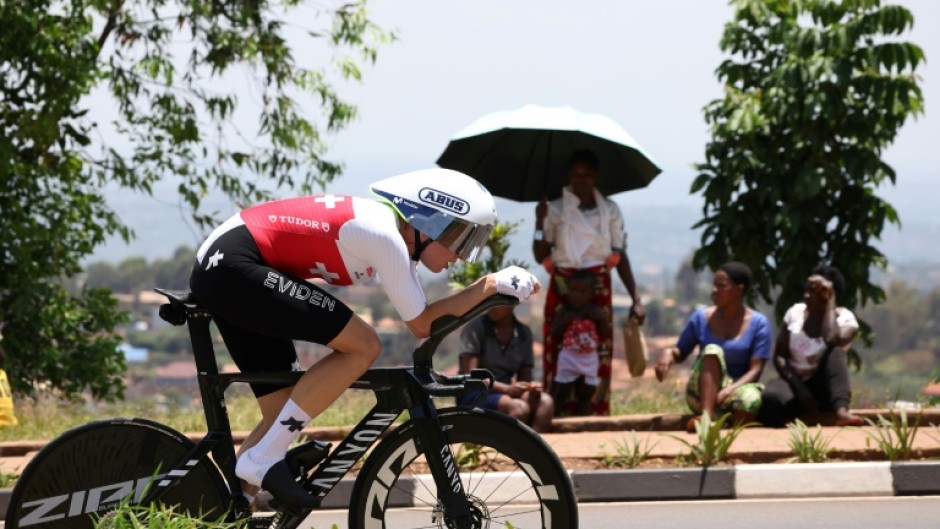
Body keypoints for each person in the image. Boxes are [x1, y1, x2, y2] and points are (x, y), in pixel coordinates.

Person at [188, 168, 541, 510]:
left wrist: (487, 288)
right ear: (428, 223)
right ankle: (264, 460)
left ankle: (225, 511)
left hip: (230, 266)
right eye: (461, 239)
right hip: (233, 264)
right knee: (364, 345)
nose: (462, 255)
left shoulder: (395, 238)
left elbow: (426, 318)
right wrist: (490, 285)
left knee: (283, 411)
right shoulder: (385, 235)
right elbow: (421, 324)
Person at [533, 149, 645, 416]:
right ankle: (554, 414)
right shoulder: (556, 209)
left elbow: (620, 252)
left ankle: (594, 414)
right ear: (569, 176)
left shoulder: (610, 210)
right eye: (575, 174)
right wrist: (539, 220)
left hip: (598, 284)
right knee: (557, 348)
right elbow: (540, 254)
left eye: (586, 174)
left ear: (595, 176)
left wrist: (636, 298)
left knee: (599, 348)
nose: (580, 179)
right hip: (563, 285)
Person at [654, 262, 771, 431]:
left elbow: (755, 370)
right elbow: (681, 352)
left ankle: (728, 429)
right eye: (714, 285)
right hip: (702, 395)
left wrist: (728, 390)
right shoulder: (700, 318)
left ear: (739, 289)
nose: (714, 290)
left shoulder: (759, 323)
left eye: (721, 286)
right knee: (712, 350)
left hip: (737, 391)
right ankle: (706, 419)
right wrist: (668, 353)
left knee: (751, 400)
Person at [759, 265, 864, 427]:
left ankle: (841, 412)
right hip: (794, 382)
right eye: (807, 290)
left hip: (824, 387)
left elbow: (831, 339)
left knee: (835, 351)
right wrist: (801, 391)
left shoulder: (845, 319)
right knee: (770, 399)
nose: (806, 296)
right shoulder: (795, 313)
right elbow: (779, 357)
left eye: (814, 292)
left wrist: (830, 301)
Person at [456, 304, 554, 432]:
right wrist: (507, 389)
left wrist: (528, 387)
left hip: (506, 392)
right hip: (475, 393)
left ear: (512, 303)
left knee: (546, 402)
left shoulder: (524, 333)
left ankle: (534, 449)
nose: (492, 306)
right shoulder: (476, 328)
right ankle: (506, 449)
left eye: (498, 302)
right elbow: (472, 377)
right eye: (490, 301)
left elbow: (525, 374)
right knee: (518, 408)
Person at [550, 270, 611, 416]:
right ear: (568, 291)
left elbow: (605, 334)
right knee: (562, 391)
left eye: (583, 291)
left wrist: (601, 319)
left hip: (589, 358)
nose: (577, 295)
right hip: (568, 357)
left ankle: (583, 423)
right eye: (574, 290)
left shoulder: (595, 311)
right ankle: (555, 418)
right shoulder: (565, 310)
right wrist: (565, 321)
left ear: (591, 293)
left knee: (585, 393)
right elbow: (554, 332)